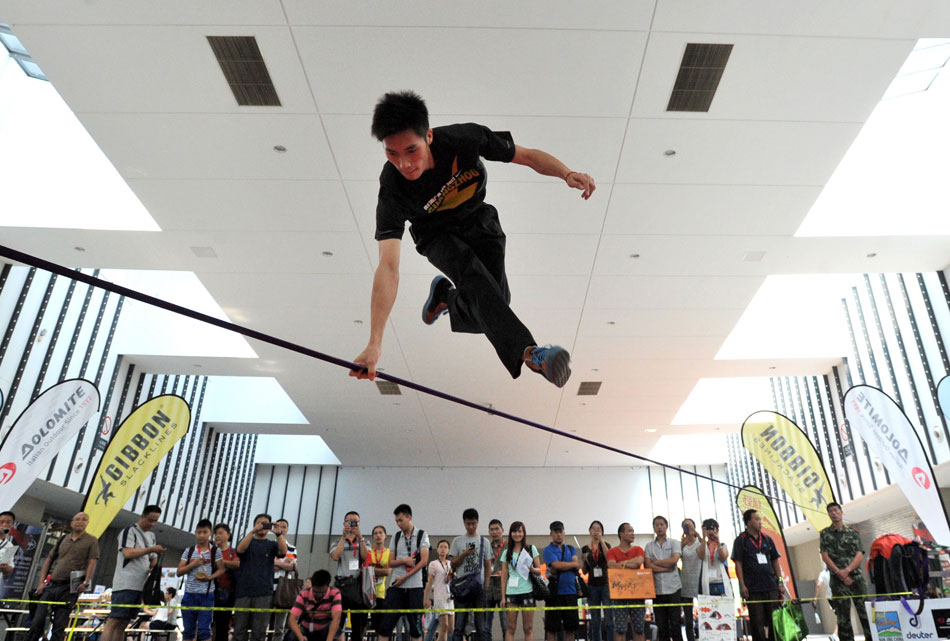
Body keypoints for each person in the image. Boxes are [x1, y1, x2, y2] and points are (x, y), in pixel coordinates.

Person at [351, 91, 596, 389]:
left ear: (428, 136)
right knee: (475, 279)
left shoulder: (465, 139)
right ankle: (531, 354)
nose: (404, 164)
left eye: (411, 151)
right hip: (436, 235)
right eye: (392, 154)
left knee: (496, 302)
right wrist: (375, 343)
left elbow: (528, 156)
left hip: (479, 220)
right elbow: (388, 267)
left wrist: (566, 173)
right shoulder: (392, 189)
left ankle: (446, 297)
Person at [27, 512, 99, 641]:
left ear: (87, 523)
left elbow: (92, 562)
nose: (80, 522)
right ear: (71, 522)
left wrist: (86, 582)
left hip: (70, 587)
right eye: (77, 519)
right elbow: (49, 559)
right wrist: (41, 582)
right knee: (37, 620)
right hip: (52, 584)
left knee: (60, 625)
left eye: (84, 519)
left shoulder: (91, 540)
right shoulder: (62, 539)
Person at [102, 506, 165, 641]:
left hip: (141, 585)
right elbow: (127, 552)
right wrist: (150, 549)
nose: (152, 524)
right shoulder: (129, 531)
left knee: (124, 622)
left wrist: (153, 562)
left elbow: (153, 557)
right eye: (150, 520)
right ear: (142, 516)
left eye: (155, 521)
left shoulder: (152, 536)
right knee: (114, 620)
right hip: (125, 583)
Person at [819, 502, 871, 641]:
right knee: (843, 618)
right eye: (830, 511)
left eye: (835, 510)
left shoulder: (853, 533)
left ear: (841, 512)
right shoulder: (825, 534)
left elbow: (860, 554)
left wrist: (847, 570)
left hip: (856, 578)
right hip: (837, 581)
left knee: (865, 613)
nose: (833, 513)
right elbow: (825, 555)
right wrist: (839, 573)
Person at [377, 504, 429, 641]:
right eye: (396, 521)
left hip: (415, 587)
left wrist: (404, 577)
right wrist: (404, 560)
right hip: (396, 586)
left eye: (401, 520)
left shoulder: (422, 535)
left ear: (409, 517)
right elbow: (390, 562)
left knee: (416, 630)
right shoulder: (396, 536)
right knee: (384, 627)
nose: (398, 523)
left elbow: (423, 561)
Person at [233, 514, 287, 641]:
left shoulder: (272, 544)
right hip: (243, 591)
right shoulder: (247, 541)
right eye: (260, 523)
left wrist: (278, 534)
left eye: (266, 523)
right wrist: (252, 531)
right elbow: (240, 550)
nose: (263, 526)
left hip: (264, 592)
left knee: (260, 630)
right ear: (254, 525)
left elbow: (283, 552)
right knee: (239, 629)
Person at [732, 510, 783, 641]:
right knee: (757, 624)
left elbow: (775, 561)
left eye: (760, 519)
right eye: (756, 519)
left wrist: (780, 581)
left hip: (771, 587)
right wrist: (742, 585)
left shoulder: (767, 539)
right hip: (753, 589)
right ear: (748, 522)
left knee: (774, 622)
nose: (760, 522)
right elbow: (739, 564)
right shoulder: (740, 541)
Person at [449, 508, 492, 641]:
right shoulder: (457, 541)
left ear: (478, 522)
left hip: (479, 588)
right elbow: (452, 564)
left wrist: (486, 585)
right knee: (459, 626)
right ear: (464, 523)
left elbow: (488, 565)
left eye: (473, 523)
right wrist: (464, 554)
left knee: (481, 627)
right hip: (462, 586)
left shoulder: (484, 542)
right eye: (468, 523)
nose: (471, 526)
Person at [179, 519, 225, 641]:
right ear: (195, 533)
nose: (202, 535)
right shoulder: (189, 551)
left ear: (210, 533)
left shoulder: (215, 551)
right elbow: (179, 572)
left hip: (206, 594)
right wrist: (193, 564)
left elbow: (221, 569)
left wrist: (209, 577)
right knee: (188, 631)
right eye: (199, 532)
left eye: (205, 532)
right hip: (189, 594)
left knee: (204, 630)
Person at [330, 511, 369, 641]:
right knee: (337, 623)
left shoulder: (365, 541)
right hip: (341, 585)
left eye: (355, 522)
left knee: (357, 625)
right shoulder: (337, 541)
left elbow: (366, 557)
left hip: (357, 585)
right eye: (349, 521)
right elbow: (335, 556)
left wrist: (361, 537)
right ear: (344, 523)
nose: (352, 524)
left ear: (359, 524)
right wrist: (343, 537)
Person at [499, 521, 541, 641]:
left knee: (528, 628)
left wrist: (532, 569)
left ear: (524, 533)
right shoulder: (506, 552)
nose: (517, 534)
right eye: (514, 531)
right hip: (511, 593)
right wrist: (503, 597)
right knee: (510, 628)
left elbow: (540, 571)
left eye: (520, 531)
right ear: (510, 533)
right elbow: (504, 576)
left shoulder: (531, 549)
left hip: (528, 591)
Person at [644, 516, 682, 641]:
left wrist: (657, 562)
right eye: (656, 525)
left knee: (676, 624)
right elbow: (648, 565)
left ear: (666, 526)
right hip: (657, 590)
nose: (659, 527)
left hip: (673, 589)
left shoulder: (675, 543)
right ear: (653, 528)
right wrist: (665, 568)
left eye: (661, 524)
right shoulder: (649, 546)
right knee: (662, 625)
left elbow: (674, 560)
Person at [606, 523, 646, 641]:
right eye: (629, 531)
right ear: (621, 534)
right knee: (620, 629)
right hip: (619, 594)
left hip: (637, 593)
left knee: (639, 629)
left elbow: (638, 562)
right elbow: (611, 566)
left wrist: (622, 564)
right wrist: (629, 564)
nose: (632, 534)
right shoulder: (612, 551)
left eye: (633, 531)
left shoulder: (638, 549)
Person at [542, 521, 581, 641]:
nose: (559, 534)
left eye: (561, 531)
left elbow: (577, 564)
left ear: (564, 533)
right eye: (556, 532)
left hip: (571, 593)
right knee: (552, 629)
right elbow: (556, 565)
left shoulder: (570, 548)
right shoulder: (547, 550)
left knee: (571, 628)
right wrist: (571, 564)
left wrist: (564, 565)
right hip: (554, 594)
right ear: (551, 534)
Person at [288, 570, 342, 641]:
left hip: (325, 628)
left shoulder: (335, 593)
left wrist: (329, 639)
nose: (319, 595)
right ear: (312, 586)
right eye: (315, 592)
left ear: (328, 586)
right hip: (306, 629)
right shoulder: (303, 594)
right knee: (292, 636)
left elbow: (336, 618)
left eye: (323, 592)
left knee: (337, 632)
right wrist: (300, 637)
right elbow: (291, 619)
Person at [582, 520, 614, 641]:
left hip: (606, 584)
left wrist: (601, 541)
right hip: (592, 586)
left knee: (609, 620)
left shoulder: (607, 545)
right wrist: (583, 560)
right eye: (593, 528)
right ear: (589, 531)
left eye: (598, 528)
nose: (596, 531)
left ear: (602, 531)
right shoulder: (586, 548)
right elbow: (584, 570)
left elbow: (609, 558)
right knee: (595, 621)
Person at [213, 523, 240, 641]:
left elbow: (237, 564)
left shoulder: (233, 551)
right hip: (209, 592)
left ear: (228, 535)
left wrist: (219, 562)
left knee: (222, 626)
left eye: (220, 533)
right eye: (215, 534)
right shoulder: (211, 551)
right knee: (206, 625)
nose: (217, 536)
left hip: (227, 593)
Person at [274, 518, 300, 641]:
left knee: (280, 626)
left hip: (284, 589)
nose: (282, 529)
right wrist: (284, 563)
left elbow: (293, 567)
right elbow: (269, 567)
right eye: (279, 527)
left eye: (284, 527)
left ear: (288, 530)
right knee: (262, 622)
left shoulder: (292, 548)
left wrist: (277, 563)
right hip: (269, 586)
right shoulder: (270, 546)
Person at [424, 540, 454, 641]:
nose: (443, 549)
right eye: (441, 547)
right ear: (437, 549)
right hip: (439, 596)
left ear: (449, 550)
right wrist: (426, 597)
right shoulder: (433, 564)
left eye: (445, 547)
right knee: (444, 625)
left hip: (449, 597)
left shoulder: (451, 564)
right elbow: (429, 581)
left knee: (450, 628)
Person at [367, 525, 392, 634]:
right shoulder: (368, 551)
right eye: (375, 533)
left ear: (385, 536)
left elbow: (387, 572)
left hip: (380, 593)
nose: (378, 535)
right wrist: (380, 569)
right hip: (366, 591)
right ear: (373, 537)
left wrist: (372, 569)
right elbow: (365, 569)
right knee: (363, 624)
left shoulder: (389, 553)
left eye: (380, 532)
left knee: (379, 625)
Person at [679, 519, 701, 641]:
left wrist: (697, 534)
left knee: (704, 613)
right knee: (688, 618)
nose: (687, 526)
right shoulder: (682, 542)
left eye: (689, 524)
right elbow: (677, 555)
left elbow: (706, 549)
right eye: (684, 525)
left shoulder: (699, 541)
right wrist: (682, 543)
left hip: (699, 580)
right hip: (686, 581)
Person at [486, 520, 506, 641]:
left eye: (497, 529)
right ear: (489, 532)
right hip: (488, 590)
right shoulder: (485, 547)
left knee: (506, 626)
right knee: (485, 627)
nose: (494, 532)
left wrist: (504, 573)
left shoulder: (509, 547)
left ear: (502, 530)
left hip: (504, 591)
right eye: (492, 529)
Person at [0, 511, 20, 592]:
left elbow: (10, 569)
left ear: (12, 525)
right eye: (1, 522)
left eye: (8, 522)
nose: (5, 525)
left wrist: (6, 568)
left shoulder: (9, 545)